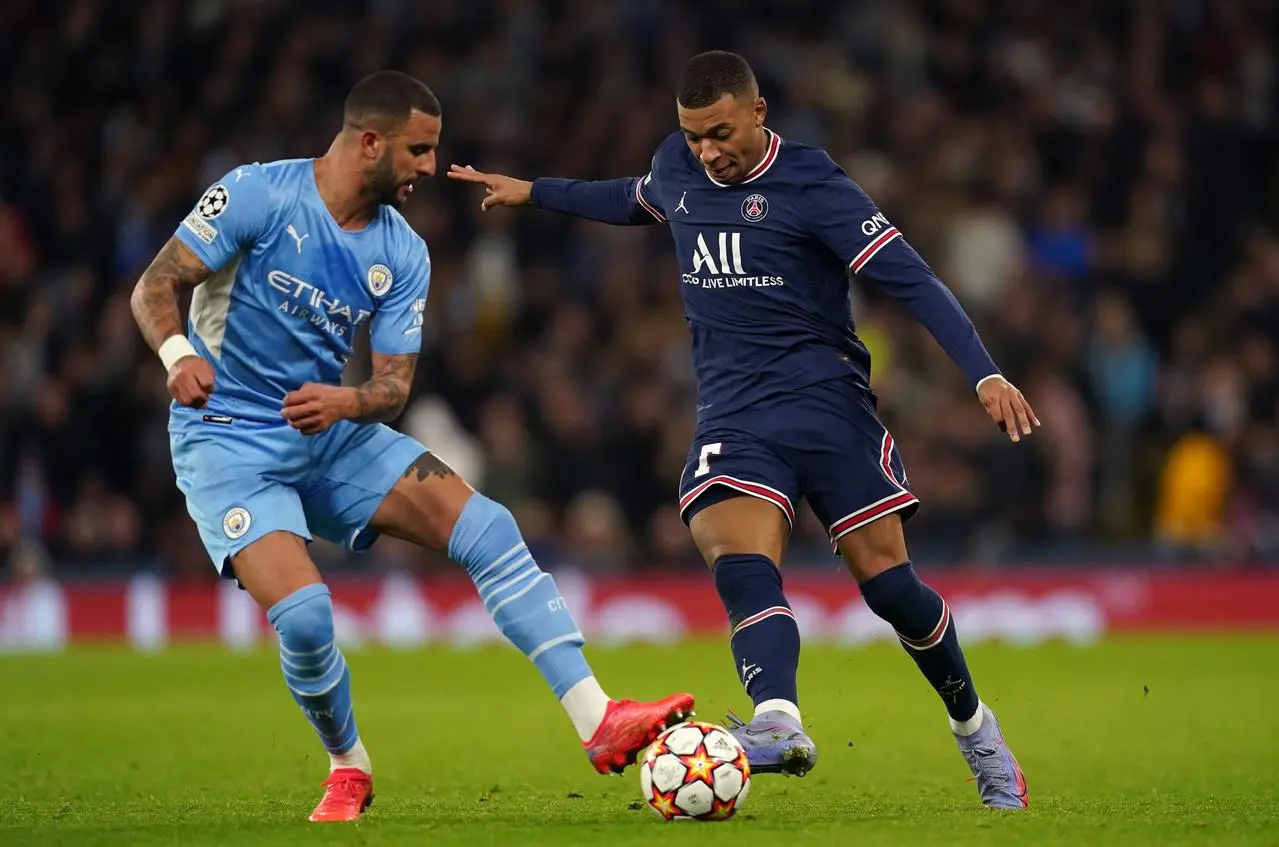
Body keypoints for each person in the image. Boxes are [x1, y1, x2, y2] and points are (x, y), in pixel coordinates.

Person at [448, 51, 1035, 809]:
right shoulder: (679, 167)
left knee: (891, 588)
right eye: (693, 136)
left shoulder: (813, 184)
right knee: (737, 553)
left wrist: (982, 372)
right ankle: (778, 719)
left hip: (827, 405)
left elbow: (909, 278)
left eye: (720, 132)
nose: (707, 152)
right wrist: (536, 193)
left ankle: (976, 729)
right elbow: (632, 198)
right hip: (734, 413)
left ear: (758, 113)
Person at [129, 70, 693, 824]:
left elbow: (393, 387)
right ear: (370, 142)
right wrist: (176, 356)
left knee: (488, 526)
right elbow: (154, 285)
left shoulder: (404, 252)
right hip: (227, 441)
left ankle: (597, 718)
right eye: (419, 151)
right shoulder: (258, 195)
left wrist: (348, 399)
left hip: (326, 432)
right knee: (303, 618)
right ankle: (347, 763)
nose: (432, 167)